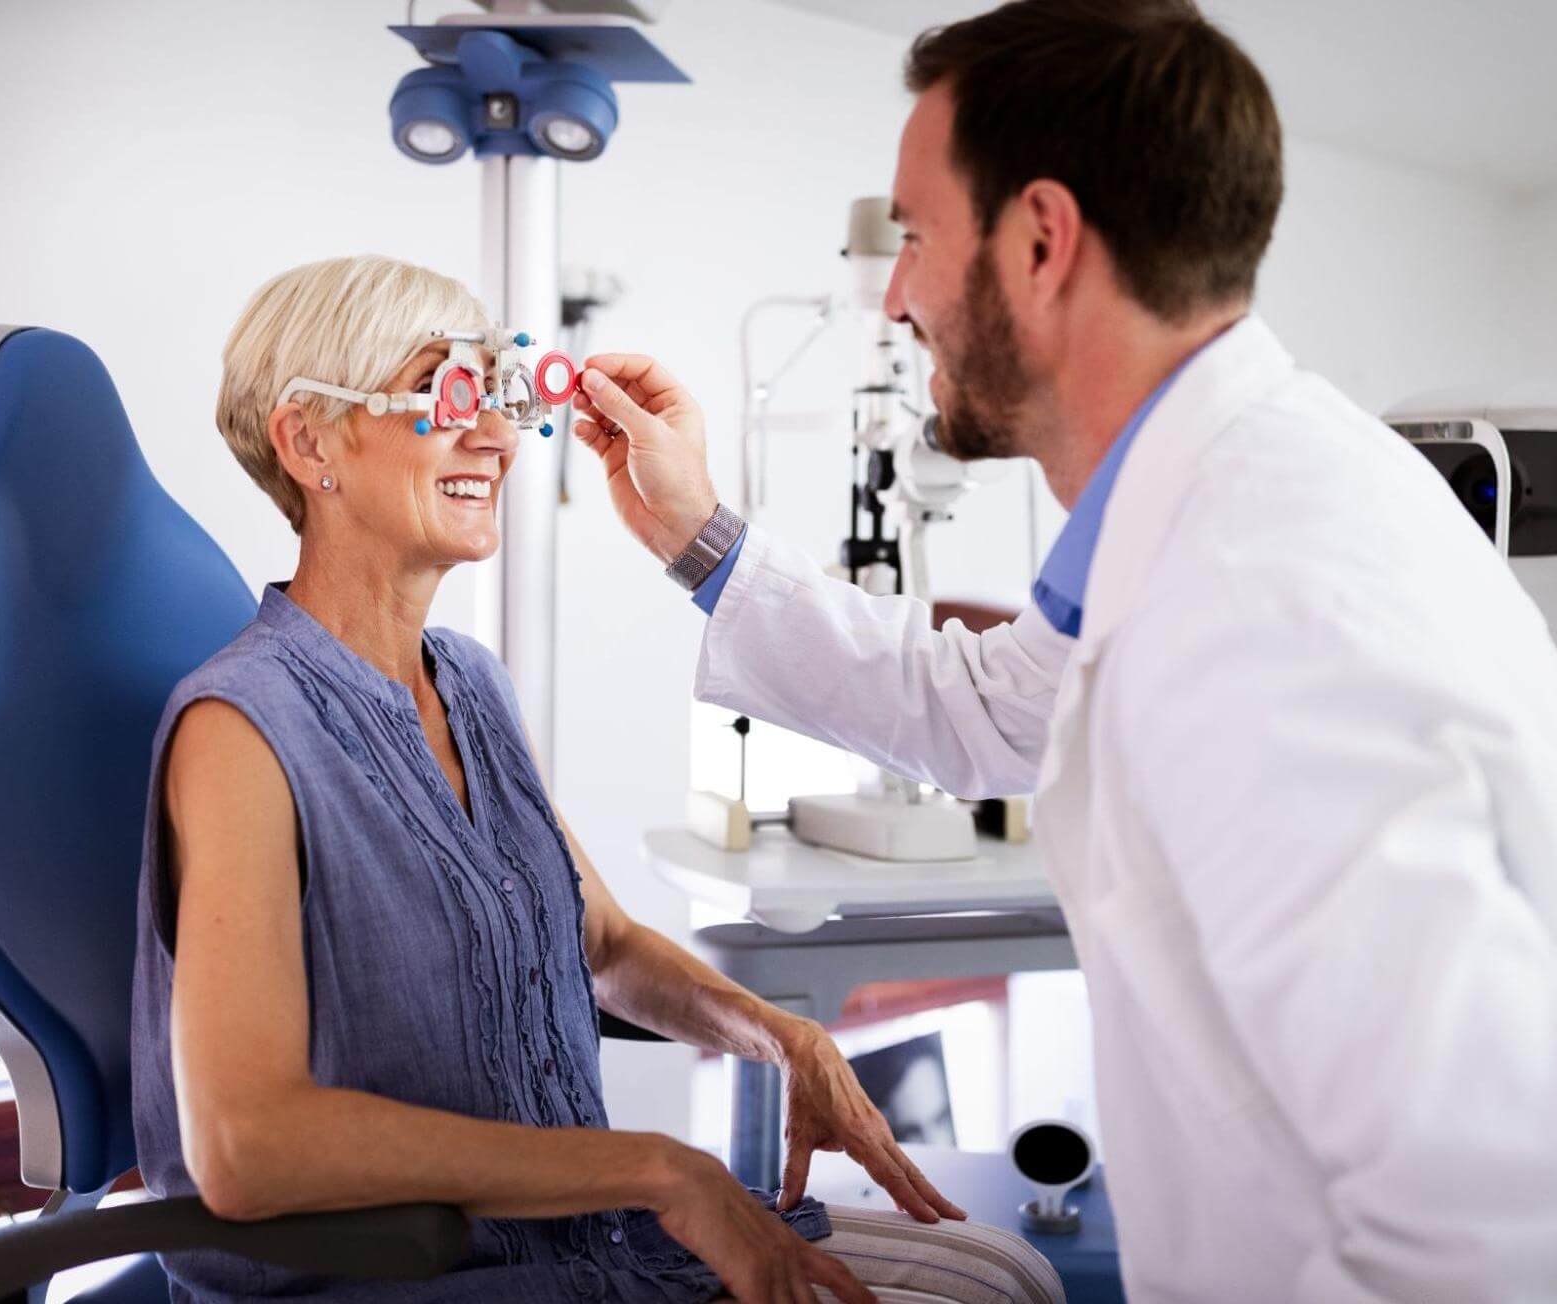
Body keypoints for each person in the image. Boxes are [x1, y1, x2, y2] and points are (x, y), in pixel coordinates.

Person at [568, 1, 1557, 1299]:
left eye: (913, 235)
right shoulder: (1194, 496)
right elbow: (995, 709)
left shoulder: (1264, 599)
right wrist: (698, 537)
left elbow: (1486, 1238)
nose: (898, 291)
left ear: (1037, 240)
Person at [131, 254, 1064, 1304]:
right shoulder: (242, 728)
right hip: (421, 1279)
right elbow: (244, 1144)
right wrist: (663, 1169)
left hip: (582, 1244)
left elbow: (603, 941)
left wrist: (785, 1035)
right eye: (448, 393)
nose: (493, 436)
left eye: (500, 394)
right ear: (308, 441)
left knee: (1007, 1269)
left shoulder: (471, 685)